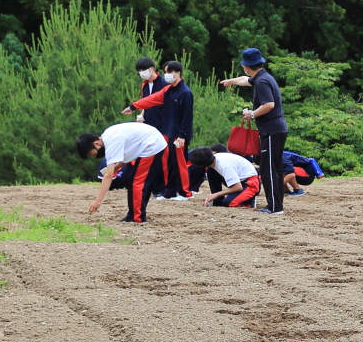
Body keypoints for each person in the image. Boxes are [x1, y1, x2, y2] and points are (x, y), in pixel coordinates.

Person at [218, 48, 288, 214]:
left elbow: (269, 104)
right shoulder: (262, 77)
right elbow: (244, 80)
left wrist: (252, 114)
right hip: (276, 129)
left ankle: (274, 207)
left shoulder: (262, 82)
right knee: (275, 168)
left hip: (271, 130)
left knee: (268, 169)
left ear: (246, 66)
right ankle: (276, 205)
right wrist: (231, 81)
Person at [77, 121, 170, 223]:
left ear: (96, 144)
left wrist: (98, 201)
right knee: (136, 181)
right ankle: (133, 214)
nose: (94, 156)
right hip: (150, 141)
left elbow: (108, 176)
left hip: (152, 145)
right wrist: (117, 167)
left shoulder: (112, 142)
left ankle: (137, 217)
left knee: (137, 183)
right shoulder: (107, 135)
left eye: (92, 154)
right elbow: (127, 154)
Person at [126, 60, 194, 198]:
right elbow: (151, 99)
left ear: (178, 73)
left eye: (169, 72)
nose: (166, 75)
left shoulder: (185, 92)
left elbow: (187, 116)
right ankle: (169, 192)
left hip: (179, 134)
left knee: (179, 164)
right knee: (167, 164)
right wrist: (133, 106)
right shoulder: (168, 90)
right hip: (167, 132)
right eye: (165, 72)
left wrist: (182, 135)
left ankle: (185, 193)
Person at [186, 145, 262, 208]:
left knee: (229, 203)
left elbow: (238, 187)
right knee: (211, 171)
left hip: (250, 183)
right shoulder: (215, 160)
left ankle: (248, 201)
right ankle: (217, 202)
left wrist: (215, 194)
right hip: (240, 180)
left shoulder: (224, 165)